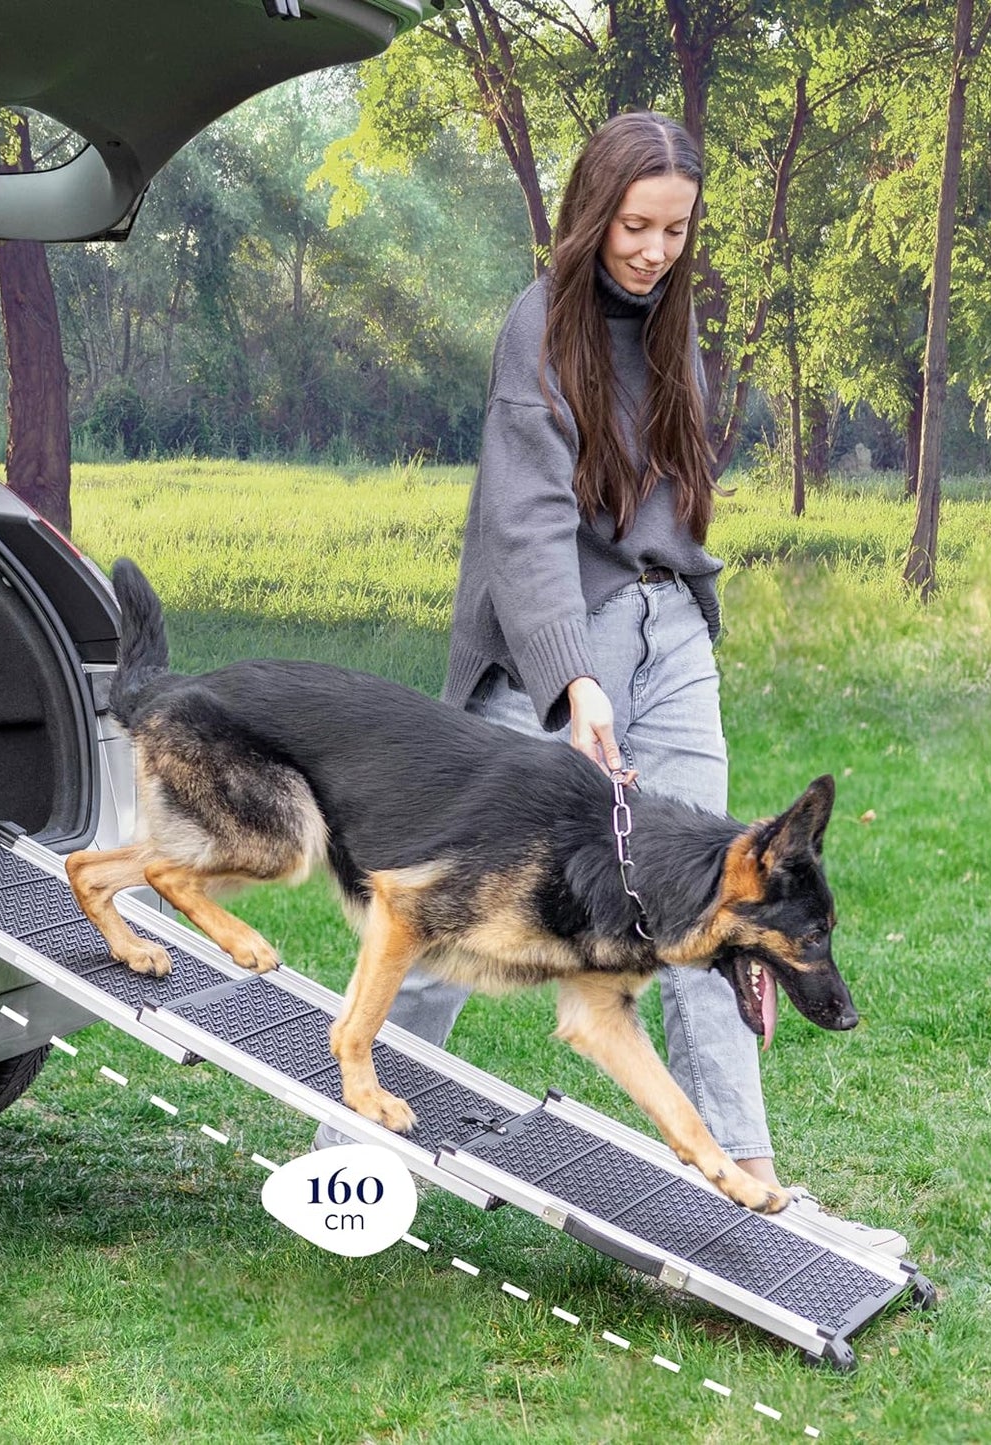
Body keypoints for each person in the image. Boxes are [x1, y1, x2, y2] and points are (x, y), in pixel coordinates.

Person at [322, 112, 904, 1255]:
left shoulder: (677, 327)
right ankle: (357, 1140)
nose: (650, 249)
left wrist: (669, 610)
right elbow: (527, 526)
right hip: (553, 636)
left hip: (666, 626)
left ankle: (749, 1181)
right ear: (594, 213)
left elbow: (669, 494)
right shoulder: (536, 328)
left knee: (712, 900)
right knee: (451, 903)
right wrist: (573, 682)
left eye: (674, 229)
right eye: (634, 225)